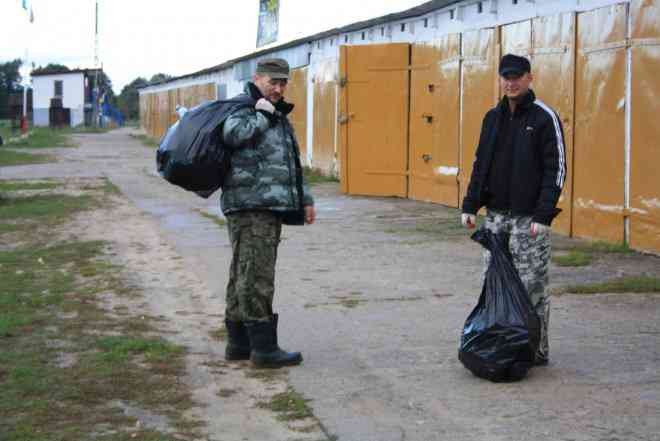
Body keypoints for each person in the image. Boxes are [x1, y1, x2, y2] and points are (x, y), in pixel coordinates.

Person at [460, 53, 566, 366]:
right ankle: (500, 343)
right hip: (495, 217)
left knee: (531, 284)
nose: (511, 82)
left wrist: (543, 215)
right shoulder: (492, 118)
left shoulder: (544, 117)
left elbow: (556, 168)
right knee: (493, 281)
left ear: (529, 78)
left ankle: (534, 349)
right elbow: (481, 163)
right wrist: (470, 204)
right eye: (506, 76)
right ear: (500, 79)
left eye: (517, 76)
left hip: (529, 220)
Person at [220, 58, 315, 368]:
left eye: (283, 82)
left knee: (244, 273)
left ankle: (239, 343)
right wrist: (262, 114)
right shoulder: (244, 107)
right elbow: (234, 135)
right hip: (251, 205)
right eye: (272, 82)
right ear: (257, 78)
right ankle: (263, 349)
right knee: (256, 275)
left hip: (268, 205)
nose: (278, 88)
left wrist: (306, 199)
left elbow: (290, 161)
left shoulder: (277, 113)